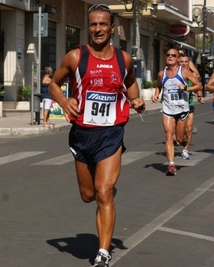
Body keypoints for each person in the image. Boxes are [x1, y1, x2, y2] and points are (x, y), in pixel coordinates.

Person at [48, 4, 145, 267]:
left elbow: (131, 81)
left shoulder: (123, 59)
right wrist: (64, 101)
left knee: (103, 193)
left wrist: (135, 99)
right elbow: (53, 83)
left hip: (111, 134)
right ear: (88, 28)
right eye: (93, 24)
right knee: (88, 195)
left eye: (103, 24)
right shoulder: (75, 57)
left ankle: (103, 252)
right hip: (82, 135)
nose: (98, 29)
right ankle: (106, 189)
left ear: (112, 28)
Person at [151, 48, 202, 175]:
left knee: (179, 139)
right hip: (168, 109)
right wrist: (156, 95)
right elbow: (158, 86)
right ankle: (171, 165)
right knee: (169, 136)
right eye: (168, 55)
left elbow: (199, 86)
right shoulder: (161, 74)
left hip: (182, 109)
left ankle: (184, 139)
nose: (170, 57)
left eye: (173, 55)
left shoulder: (184, 71)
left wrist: (186, 87)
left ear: (178, 58)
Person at [178, 54, 204, 160]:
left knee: (188, 128)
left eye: (186, 62)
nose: (184, 64)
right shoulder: (175, 74)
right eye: (181, 62)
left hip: (189, 104)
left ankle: (185, 150)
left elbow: (197, 85)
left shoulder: (192, 75)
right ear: (178, 62)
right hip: (176, 106)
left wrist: (199, 96)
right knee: (179, 133)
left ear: (189, 63)